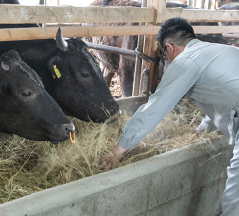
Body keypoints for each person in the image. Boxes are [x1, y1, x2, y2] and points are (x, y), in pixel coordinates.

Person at [98, 17, 239, 215]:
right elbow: (225, 96)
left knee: (235, 197)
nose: (166, 61)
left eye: (163, 55)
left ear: (169, 47)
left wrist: (119, 149)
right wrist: (203, 128)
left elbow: (157, 106)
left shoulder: (186, 61)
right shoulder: (219, 51)